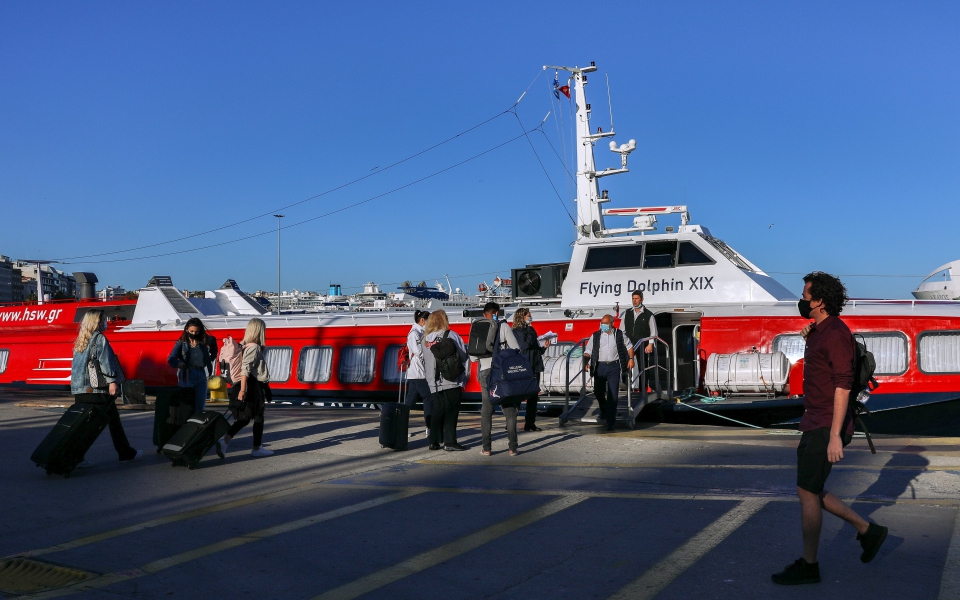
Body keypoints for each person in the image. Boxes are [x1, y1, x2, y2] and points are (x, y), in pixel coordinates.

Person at [772, 272, 887, 585]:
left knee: (807, 490)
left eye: (806, 294)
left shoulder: (835, 332)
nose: (802, 299)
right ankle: (868, 531)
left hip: (826, 424)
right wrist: (810, 335)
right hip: (815, 420)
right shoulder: (821, 331)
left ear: (819, 301)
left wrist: (836, 434)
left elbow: (842, 386)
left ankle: (809, 565)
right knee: (811, 487)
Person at [69, 309, 142, 466]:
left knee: (86, 425)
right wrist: (112, 381)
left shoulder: (80, 341)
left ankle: (76, 456)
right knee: (110, 423)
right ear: (96, 322)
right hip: (97, 390)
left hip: (81, 390)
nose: (105, 323)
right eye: (102, 319)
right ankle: (124, 453)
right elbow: (105, 362)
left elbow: (75, 367)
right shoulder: (99, 339)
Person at [470, 302, 521, 455]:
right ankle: (512, 448)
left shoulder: (477, 328)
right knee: (509, 411)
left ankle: (486, 449)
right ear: (496, 312)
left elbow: (472, 358)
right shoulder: (503, 327)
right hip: (502, 374)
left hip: (485, 373)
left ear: (484, 313)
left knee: (486, 411)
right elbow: (516, 349)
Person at [217, 318, 273, 458]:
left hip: (242, 385)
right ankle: (256, 448)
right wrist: (243, 390)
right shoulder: (254, 347)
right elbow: (245, 369)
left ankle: (225, 441)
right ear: (260, 331)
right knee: (257, 417)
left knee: (245, 417)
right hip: (251, 386)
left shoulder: (243, 345)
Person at [422, 310, 469, 451]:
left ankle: (434, 441)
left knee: (438, 410)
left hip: (433, 382)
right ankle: (450, 442)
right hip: (451, 379)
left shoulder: (425, 340)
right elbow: (463, 355)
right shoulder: (451, 335)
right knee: (451, 411)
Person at [583, 315, 634, 431]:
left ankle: (611, 422)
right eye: (601, 323)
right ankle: (604, 409)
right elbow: (588, 351)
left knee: (613, 395)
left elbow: (629, 346)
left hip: (614, 366)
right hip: (599, 366)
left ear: (612, 323)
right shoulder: (596, 336)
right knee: (598, 392)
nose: (603, 325)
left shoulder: (619, 334)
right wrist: (585, 362)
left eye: (605, 323)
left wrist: (631, 358)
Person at [511, 307, 550, 432]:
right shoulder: (516, 331)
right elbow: (525, 345)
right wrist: (530, 331)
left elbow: (534, 349)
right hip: (523, 367)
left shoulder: (531, 330)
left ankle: (530, 423)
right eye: (528, 315)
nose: (530, 317)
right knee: (518, 396)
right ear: (522, 317)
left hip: (535, 366)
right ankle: (511, 421)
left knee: (533, 396)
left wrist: (544, 348)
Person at [167, 317, 215, 413]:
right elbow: (171, 359)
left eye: (196, 332)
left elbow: (213, 343)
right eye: (191, 331)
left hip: (201, 373)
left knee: (200, 406)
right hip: (187, 374)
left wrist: (209, 360)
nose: (193, 334)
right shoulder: (181, 342)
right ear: (187, 330)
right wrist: (179, 363)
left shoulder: (204, 341)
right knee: (186, 406)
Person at [404, 310, 432, 437]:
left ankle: (401, 426)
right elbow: (418, 351)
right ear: (423, 321)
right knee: (428, 398)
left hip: (418, 373)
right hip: (417, 373)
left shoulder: (421, 333)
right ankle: (429, 427)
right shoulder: (414, 334)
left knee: (409, 402)